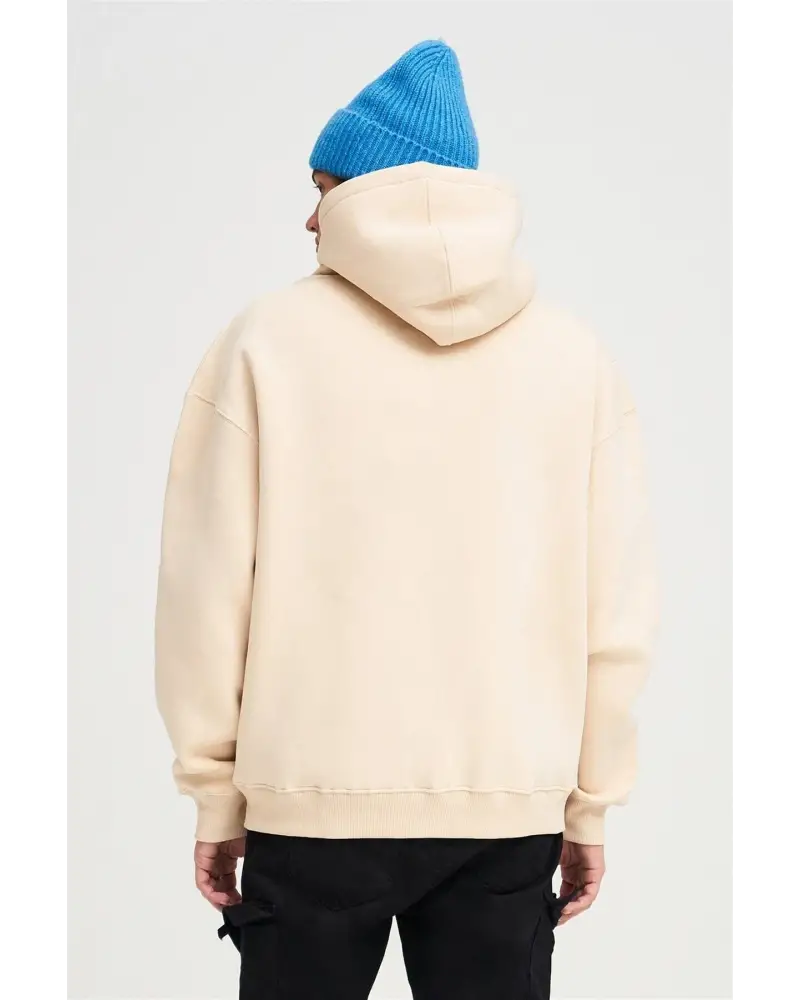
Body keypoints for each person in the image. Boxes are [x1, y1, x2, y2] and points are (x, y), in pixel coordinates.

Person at [155, 38, 656, 1000]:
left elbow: (204, 593)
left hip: (308, 804)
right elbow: (616, 608)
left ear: (366, 196)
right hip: (508, 804)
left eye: (323, 188)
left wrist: (216, 794)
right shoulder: (574, 359)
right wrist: (589, 804)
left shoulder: (263, 343)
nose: (309, 217)